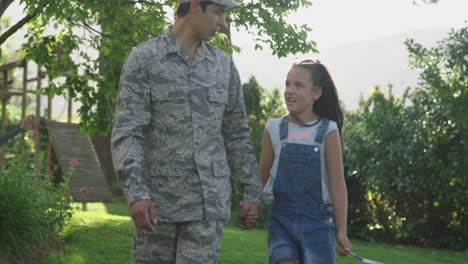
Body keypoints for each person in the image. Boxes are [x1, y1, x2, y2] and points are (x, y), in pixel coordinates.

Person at [111, 0, 261, 263]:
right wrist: (136, 193)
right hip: (157, 207)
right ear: (194, 5)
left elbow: (236, 134)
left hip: (206, 207)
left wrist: (250, 190)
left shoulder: (223, 67)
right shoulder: (143, 60)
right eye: (217, 11)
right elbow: (127, 132)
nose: (222, 22)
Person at [259, 59, 352, 264]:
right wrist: (251, 204)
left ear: (316, 93)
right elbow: (262, 176)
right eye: (287, 84)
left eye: (298, 85)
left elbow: (337, 184)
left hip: (318, 225)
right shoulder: (273, 129)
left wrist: (342, 231)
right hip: (281, 221)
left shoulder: (328, 131)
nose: (290, 90)